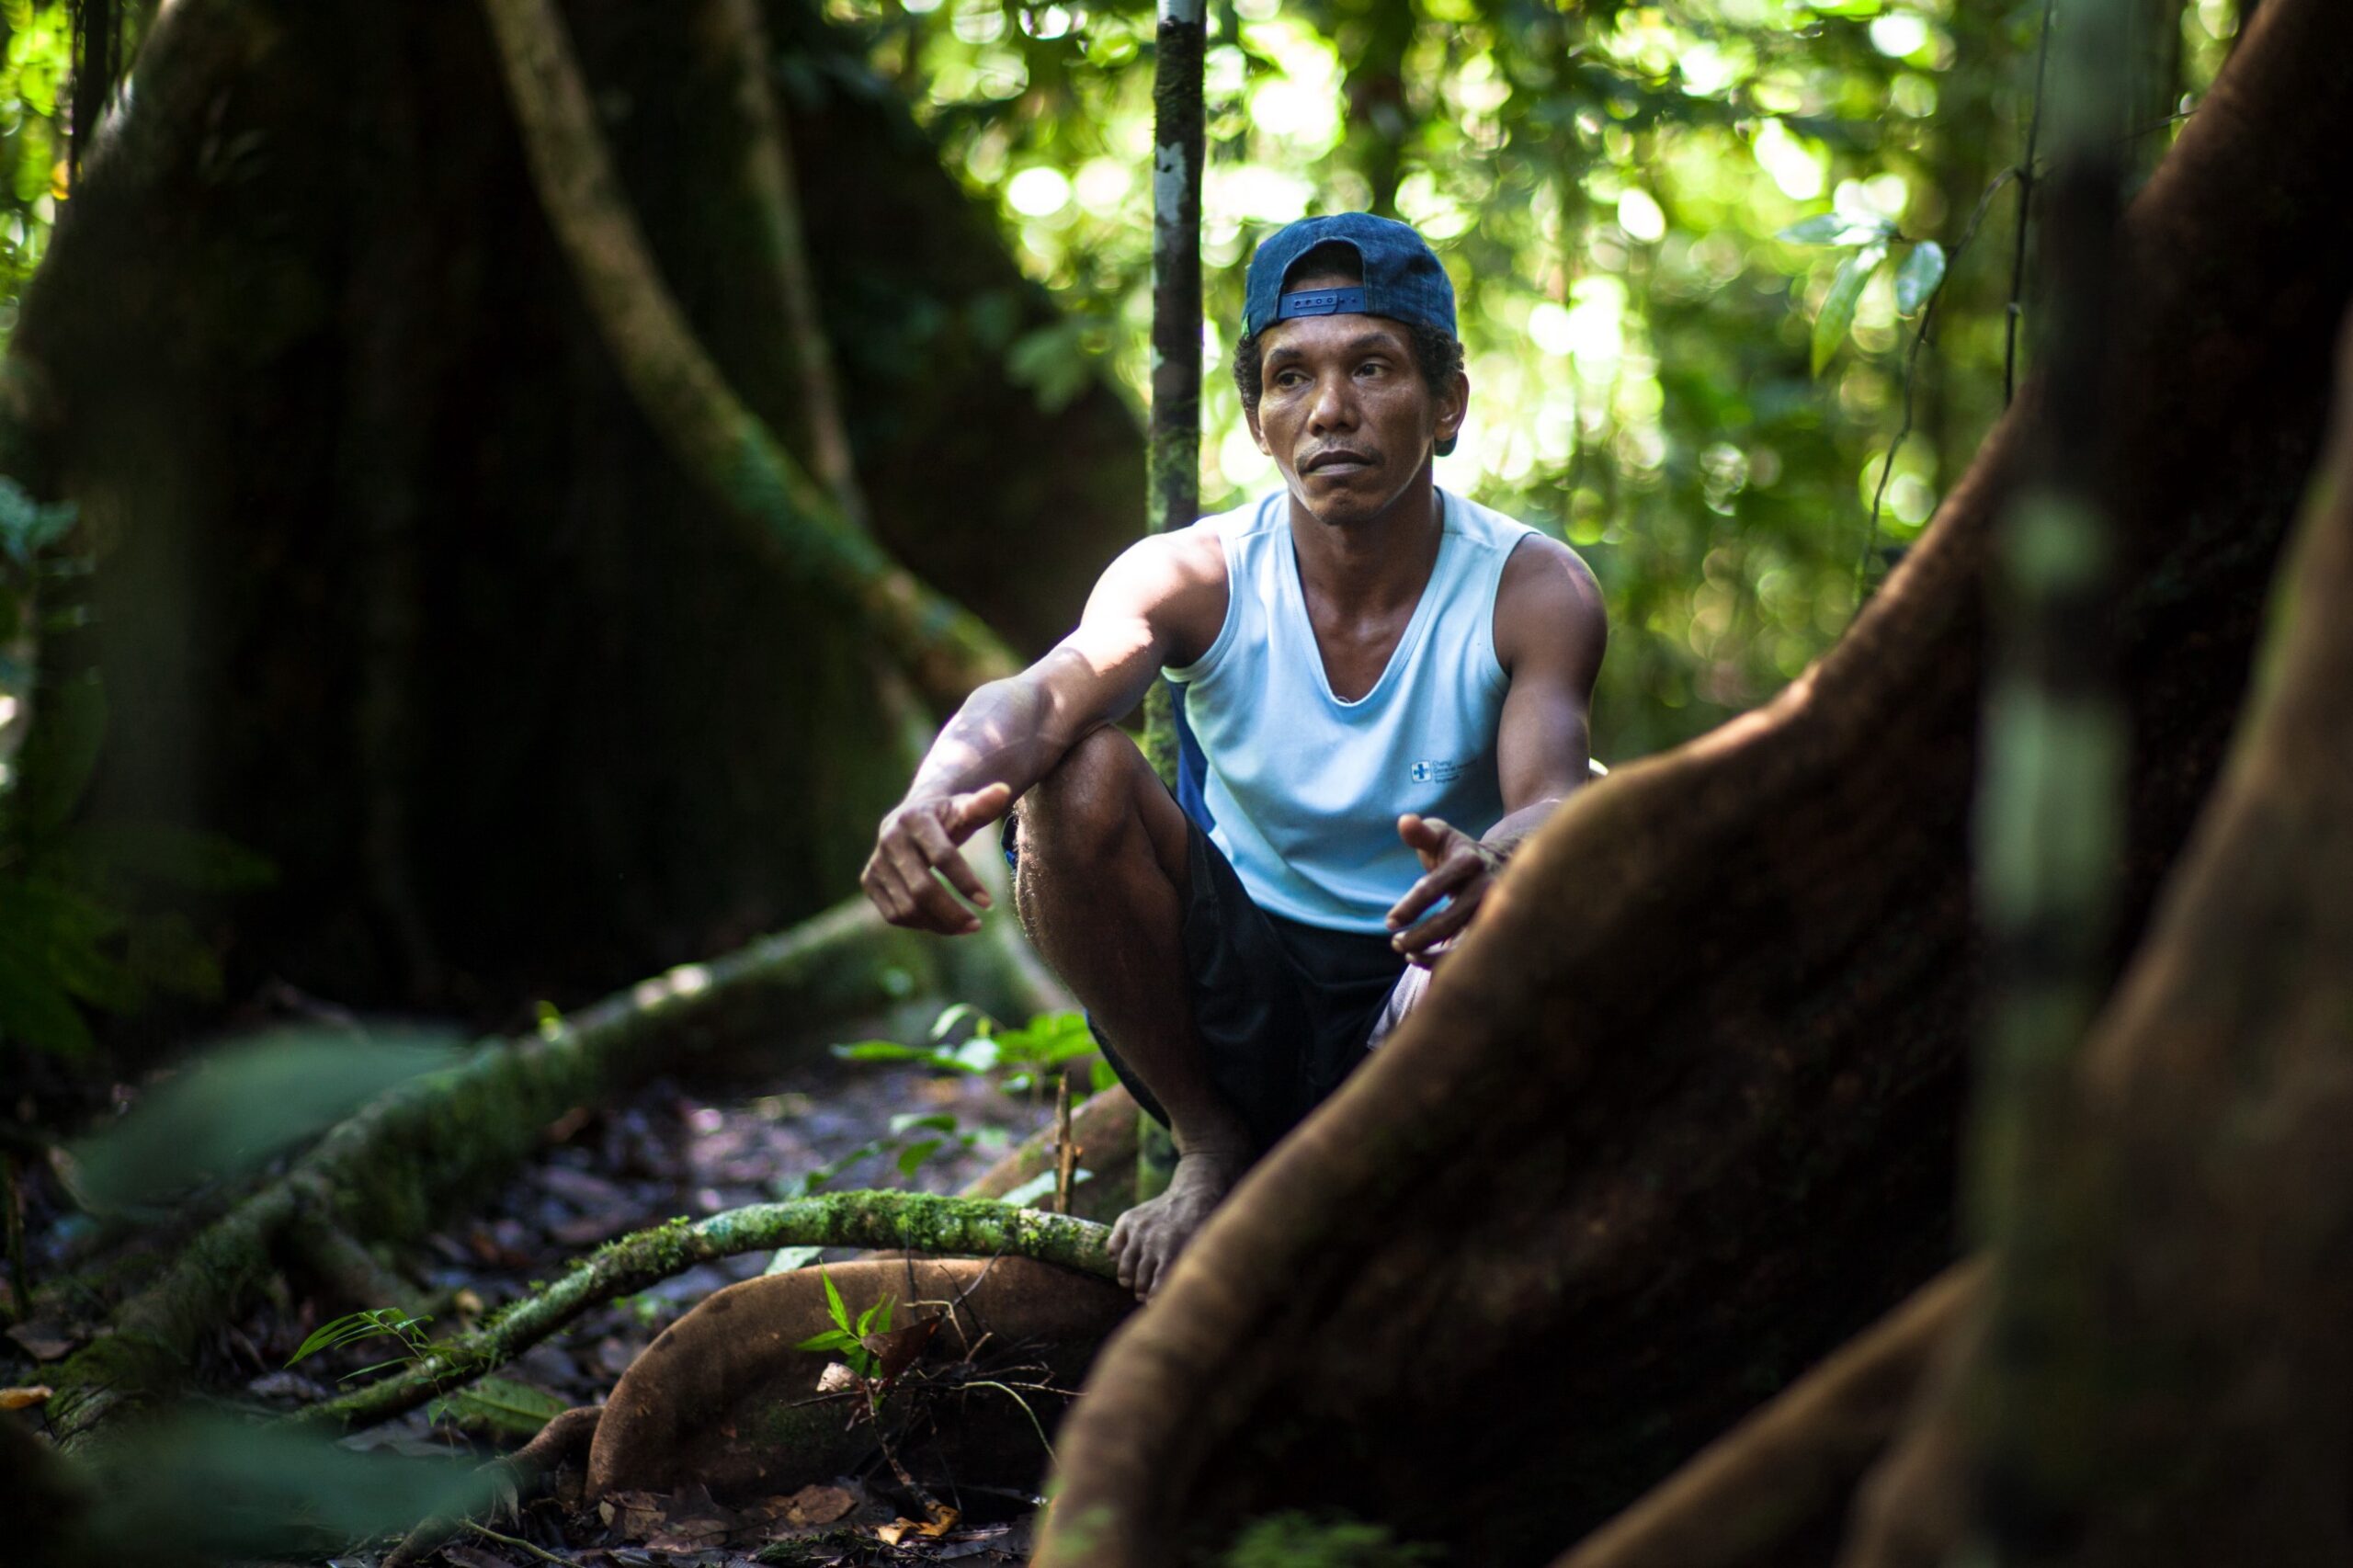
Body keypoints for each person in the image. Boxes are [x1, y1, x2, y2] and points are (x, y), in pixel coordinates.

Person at [860, 212, 1606, 1298]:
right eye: (1291, 376)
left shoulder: (1531, 588)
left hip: (1427, 978)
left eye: (1372, 368)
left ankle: (1409, 1215)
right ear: (1258, 420)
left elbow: (1552, 797)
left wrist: (1498, 858)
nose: (1330, 410)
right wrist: (933, 796)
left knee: (1520, 903)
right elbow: (1047, 693)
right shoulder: (1195, 573)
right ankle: (1207, 1148)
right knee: (1076, 778)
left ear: (1446, 403)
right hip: (1231, 987)